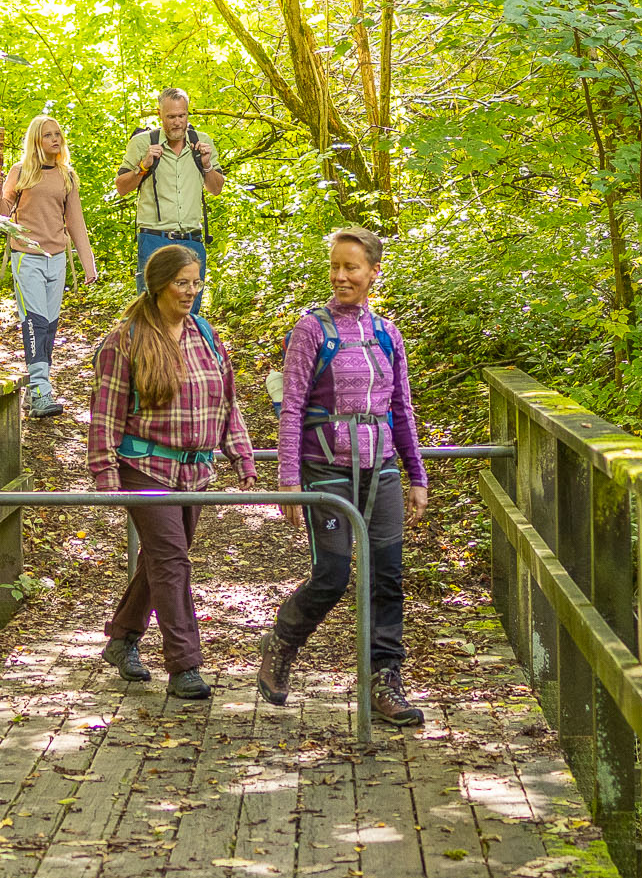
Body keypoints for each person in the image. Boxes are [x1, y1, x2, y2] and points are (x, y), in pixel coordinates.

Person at [257, 225, 430, 729]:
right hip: (325, 469)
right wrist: (289, 482)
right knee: (332, 577)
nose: (340, 276)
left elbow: (402, 409)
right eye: (335, 266)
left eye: (351, 267)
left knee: (387, 576)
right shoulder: (311, 330)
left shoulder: (387, 333)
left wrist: (416, 474)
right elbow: (291, 409)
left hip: (382, 471)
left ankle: (385, 679)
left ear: (373, 272)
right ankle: (283, 642)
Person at [85, 240, 252, 702]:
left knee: (160, 560)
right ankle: (185, 665)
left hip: (195, 471)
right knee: (172, 561)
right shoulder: (126, 339)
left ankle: (122, 637)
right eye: (182, 283)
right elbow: (104, 413)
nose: (191, 291)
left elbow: (227, 401)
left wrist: (240, 454)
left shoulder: (206, 336)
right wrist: (105, 474)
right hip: (144, 466)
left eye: (196, 283)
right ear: (158, 285)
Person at [0, 115, 98, 417]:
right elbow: (2, 215)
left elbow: (75, 221)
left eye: (57, 134)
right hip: (26, 256)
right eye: (48, 135)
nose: (55, 139)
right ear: (36, 140)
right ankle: (40, 390)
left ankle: (35, 389)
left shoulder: (67, 175)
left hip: (57, 258)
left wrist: (88, 263)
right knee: (34, 322)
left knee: (49, 325)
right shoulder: (21, 171)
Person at [116, 86, 225, 307]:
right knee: (152, 312)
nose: (177, 122)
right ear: (160, 115)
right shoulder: (142, 143)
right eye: (171, 117)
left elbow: (216, 189)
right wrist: (143, 167)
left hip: (192, 240)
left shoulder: (202, 142)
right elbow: (122, 187)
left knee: (189, 312)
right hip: (154, 240)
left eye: (182, 116)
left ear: (188, 114)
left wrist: (206, 165)